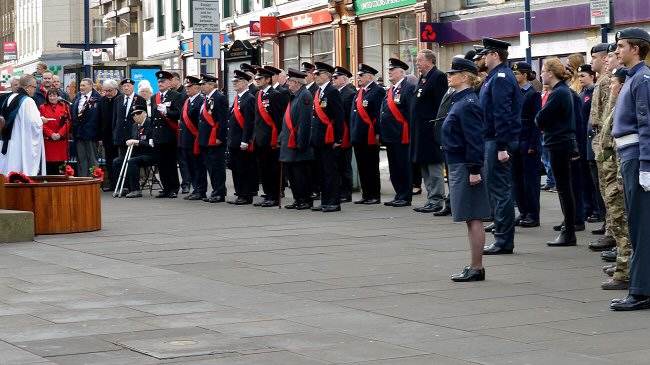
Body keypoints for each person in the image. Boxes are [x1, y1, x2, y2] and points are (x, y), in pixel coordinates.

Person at [610, 27, 650, 311]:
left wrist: (646, 165)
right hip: (630, 155)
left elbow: (647, 126)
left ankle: (641, 291)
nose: (617, 51)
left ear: (636, 48)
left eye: (621, 46)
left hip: (637, 156)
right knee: (637, 225)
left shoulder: (642, 79)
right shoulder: (635, 78)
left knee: (640, 227)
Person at [442, 57, 490, 282]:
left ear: (465, 77)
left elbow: (475, 139)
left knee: (474, 216)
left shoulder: (468, 102)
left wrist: (474, 169)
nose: (449, 76)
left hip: (465, 165)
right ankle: (475, 265)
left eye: (454, 73)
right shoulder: (460, 100)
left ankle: (476, 267)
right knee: (471, 217)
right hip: (458, 163)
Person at [479, 37, 522, 255]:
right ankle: (502, 237)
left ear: (495, 54)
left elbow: (501, 113)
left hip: (499, 140)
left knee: (500, 191)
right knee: (498, 191)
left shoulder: (501, 78)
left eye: (486, 54)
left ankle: (503, 240)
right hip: (495, 139)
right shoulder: (494, 77)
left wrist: (502, 146)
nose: (484, 58)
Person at [535, 57, 578, 247]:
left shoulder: (558, 93)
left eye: (544, 70)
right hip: (560, 142)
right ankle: (568, 228)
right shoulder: (562, 91)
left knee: (564, 189)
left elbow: (541, 118)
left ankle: (568, 231)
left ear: (550, 73)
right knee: (564, 188)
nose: (542, 74)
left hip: (559, 143)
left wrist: (540, 119)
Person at [596, 66, 631, 290]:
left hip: (618, 170)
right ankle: (623, 265)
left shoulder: (625, 107)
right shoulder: (617, 105)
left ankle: (624, 272)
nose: (611, 86)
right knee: (618, 223)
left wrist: (619, 177)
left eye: (614, 83)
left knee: (622, 223)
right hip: (611, 168)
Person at [410, 49, 448, 214]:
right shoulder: (423, 77)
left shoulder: (438, 76)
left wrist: (438, 127)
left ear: (430, 61)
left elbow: (442, 104)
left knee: (434, 167)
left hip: (431, 129)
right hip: (420, 131)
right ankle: (430, 198)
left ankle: (437, 199)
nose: (417, 63)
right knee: (424, 166)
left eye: (419, 60)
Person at [588, 43, 616, 243]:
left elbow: (608, 113)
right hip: (599, 137)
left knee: (609, 188)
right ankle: (610, 227)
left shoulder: (608, 82)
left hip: (605, 139)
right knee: (603, 186)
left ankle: (612, 232)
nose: (593, 62)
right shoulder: (603, 80)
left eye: (595, 57)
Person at [310, 62, 344, 213]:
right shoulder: (318, 92)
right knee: (321, 172)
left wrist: (338, 139)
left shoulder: (332, 91)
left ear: (328, 75)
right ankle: (325, 200)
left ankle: (334, 202)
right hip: (318, 137)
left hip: (329, 138)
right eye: (315, 74)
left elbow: (338, 116)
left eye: (319, 74)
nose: (316, 76)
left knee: (331, 172)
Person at [511, 62, 542, 228]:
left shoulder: (532, 94)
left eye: (517, 74)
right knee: (517, 179)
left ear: (524, 75)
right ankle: (523, 211)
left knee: (530, 180)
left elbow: (537, 121)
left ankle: (533, 214)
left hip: (528, 140)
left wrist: (533, 144)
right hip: (516, 139)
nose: (515, 77)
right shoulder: (515, 93)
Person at [380, 58, 415, 207]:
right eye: (389, 70)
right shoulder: (391, 90)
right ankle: (398, 193)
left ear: (401, 72)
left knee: (402, 166)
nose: (389, 72)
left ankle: (405, 196)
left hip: (401, 134)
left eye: (392, 70)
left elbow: (410, 112)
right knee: (394, 167)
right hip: (390, 135)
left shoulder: (408, 88)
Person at [350, 63, 386, 205]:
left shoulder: (377, 91)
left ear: (370, 76)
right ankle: (366, 194)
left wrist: (378, 133)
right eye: (358, 75)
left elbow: (378, 114)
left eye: (362, 75)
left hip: (369, 135)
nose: (359, 78)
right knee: (362, 166)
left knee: (371, 166)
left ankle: (374, 195)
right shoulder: (361, 91)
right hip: (359, 135)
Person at [280, 68, 315, 210]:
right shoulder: (295, 95)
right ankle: (297, 198)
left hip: (297, 143)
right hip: (289, 141)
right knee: (292, 174)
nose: (288, 84)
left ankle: (304, 199)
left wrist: (302, 142)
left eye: (290, 81)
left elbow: (304, 122)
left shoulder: (304, 95)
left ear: (296, 82)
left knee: (301, 174)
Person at [0, 75, 46, 175]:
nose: (35, 90)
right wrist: (42, 120)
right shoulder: (28, 101)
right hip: (19, 141)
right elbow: (34, 123)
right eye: (34, 87)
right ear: (28, 87)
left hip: (7, 139)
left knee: (8, 167)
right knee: (19, 169)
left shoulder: (9, 97)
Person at [252, 67, 284, 207]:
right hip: (260, 138)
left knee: (272, 169)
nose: (257, 81)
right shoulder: (259, 95)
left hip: (270, 139)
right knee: (263, 169)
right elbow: (256, 119)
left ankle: (274, 196)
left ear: (268, 79)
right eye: (256, 79)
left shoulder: (274, 94)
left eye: (260, 79)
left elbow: (278, 119)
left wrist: (277, 139)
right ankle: (267, 194)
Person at [577, 64, 604, 224]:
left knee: (593, 178)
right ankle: (588, 208)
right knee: (584, 178)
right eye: (579, 76)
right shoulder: (581, 94)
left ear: (592, 76)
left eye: (583, 76)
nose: (580, 79)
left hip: (590, 139)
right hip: (581, 139)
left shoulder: (594, 92)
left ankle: (596, 209)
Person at [151, 70, 183, 198]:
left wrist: (167, 112)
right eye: (159, 81)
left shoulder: (176, 96)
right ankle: (166, 188)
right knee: (161, 163)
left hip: (170, 134)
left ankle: (174, 187)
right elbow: (153, 117)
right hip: (158, 134)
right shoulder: (155, 97)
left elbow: (179, 114)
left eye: (163, 81)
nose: (160, 83)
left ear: (170, 82)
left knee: (170, 163)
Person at [112, 104, 155, 198]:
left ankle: (135, 189)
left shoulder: (151, 124)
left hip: (150, 154)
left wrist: (137, 142)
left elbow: (151, 145)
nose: (135, 116)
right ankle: (125, 187)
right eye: (133, 114)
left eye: (138, 113)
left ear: (144, 113)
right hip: (137, 153)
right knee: (117, 161)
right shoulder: (135, 126)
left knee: (132, 161)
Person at [198, 74, 229, 203]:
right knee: (211, 166)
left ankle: (220, 192)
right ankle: (215, 191)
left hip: (215, 138)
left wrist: (220, 137)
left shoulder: (219, 98)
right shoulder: (208, 98)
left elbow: (222, 120)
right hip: (206, 138)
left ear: (211, 85)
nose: (202, 87)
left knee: (217, 166)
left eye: (204, 84)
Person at [227, 70, 256, 205]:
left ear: (245, 83)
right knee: (236, 169)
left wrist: (245, 140)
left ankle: (246, 195)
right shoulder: (238, 98)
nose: (234, 84)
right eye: (233, 82)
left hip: (242, 141)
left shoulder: (249, 98)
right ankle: (239, 193)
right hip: (234, 140)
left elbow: (249, 122)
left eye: (237, 82)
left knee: (244, 169)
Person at [179, 76, 207, 201]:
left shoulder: (201, 101)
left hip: (194, 139)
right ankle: (196, 188)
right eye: (186, 87)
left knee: (198, 166)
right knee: (190, 166)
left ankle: (201, 190)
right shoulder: (188, 101)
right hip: (185, 139)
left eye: (189, 87)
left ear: (197, 87)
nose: (187, 89)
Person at [332, 66, 355, 203]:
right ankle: (340, 190)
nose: (333, 80)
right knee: (337, 165)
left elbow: (347, 117)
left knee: (345, 165)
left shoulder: (349, 93)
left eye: (336, 78)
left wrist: (343, 137)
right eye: (333, 77)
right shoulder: (336, 92)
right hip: (336, 133)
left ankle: (346, 192)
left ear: (344, 79)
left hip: (344, 134)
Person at [71, 78, 101, 177]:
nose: (81, 87)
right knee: (81, 159)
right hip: (79, 133)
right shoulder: (77, 97)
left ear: (91, 86)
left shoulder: (98, 98)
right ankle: (83, 181)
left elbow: (100, 117)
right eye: (80, 85)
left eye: (84, 85)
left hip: (92, 134)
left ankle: (94, 181)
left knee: (92, 159)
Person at [39, 88, 70, 174]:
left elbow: (68, 122)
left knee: (60, 166)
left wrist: (59, 134)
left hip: (60, 140)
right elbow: (41, 123)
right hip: (49, 141)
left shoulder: (65, 106)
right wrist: (51, 134)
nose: (52, 98)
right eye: (50, 95)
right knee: (49, 166)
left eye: (54, 95)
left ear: (58, 96)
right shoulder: (42, 107)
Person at [113, 79, 146, 157]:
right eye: (124, 86)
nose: (126, 88)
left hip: (133, 134)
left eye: (128, 86)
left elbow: (144, 118)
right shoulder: (118, 99)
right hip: (120, 135)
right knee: (121, 158)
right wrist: (114, 133)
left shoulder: (140, 99)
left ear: (133, 88)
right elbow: (115, 118)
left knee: (133, 159)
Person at [97, 79, 120, 189]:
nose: (107, 93)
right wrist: (100, 136)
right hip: (106, 136)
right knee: (109, 161)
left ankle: (120, 184)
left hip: (119, 136)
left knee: (118, 160)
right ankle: (112, 183)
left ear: (116, 89)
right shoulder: (102, 101)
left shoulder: (120, 99)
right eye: (105, 90)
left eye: (109, 90)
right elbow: (99, 119)